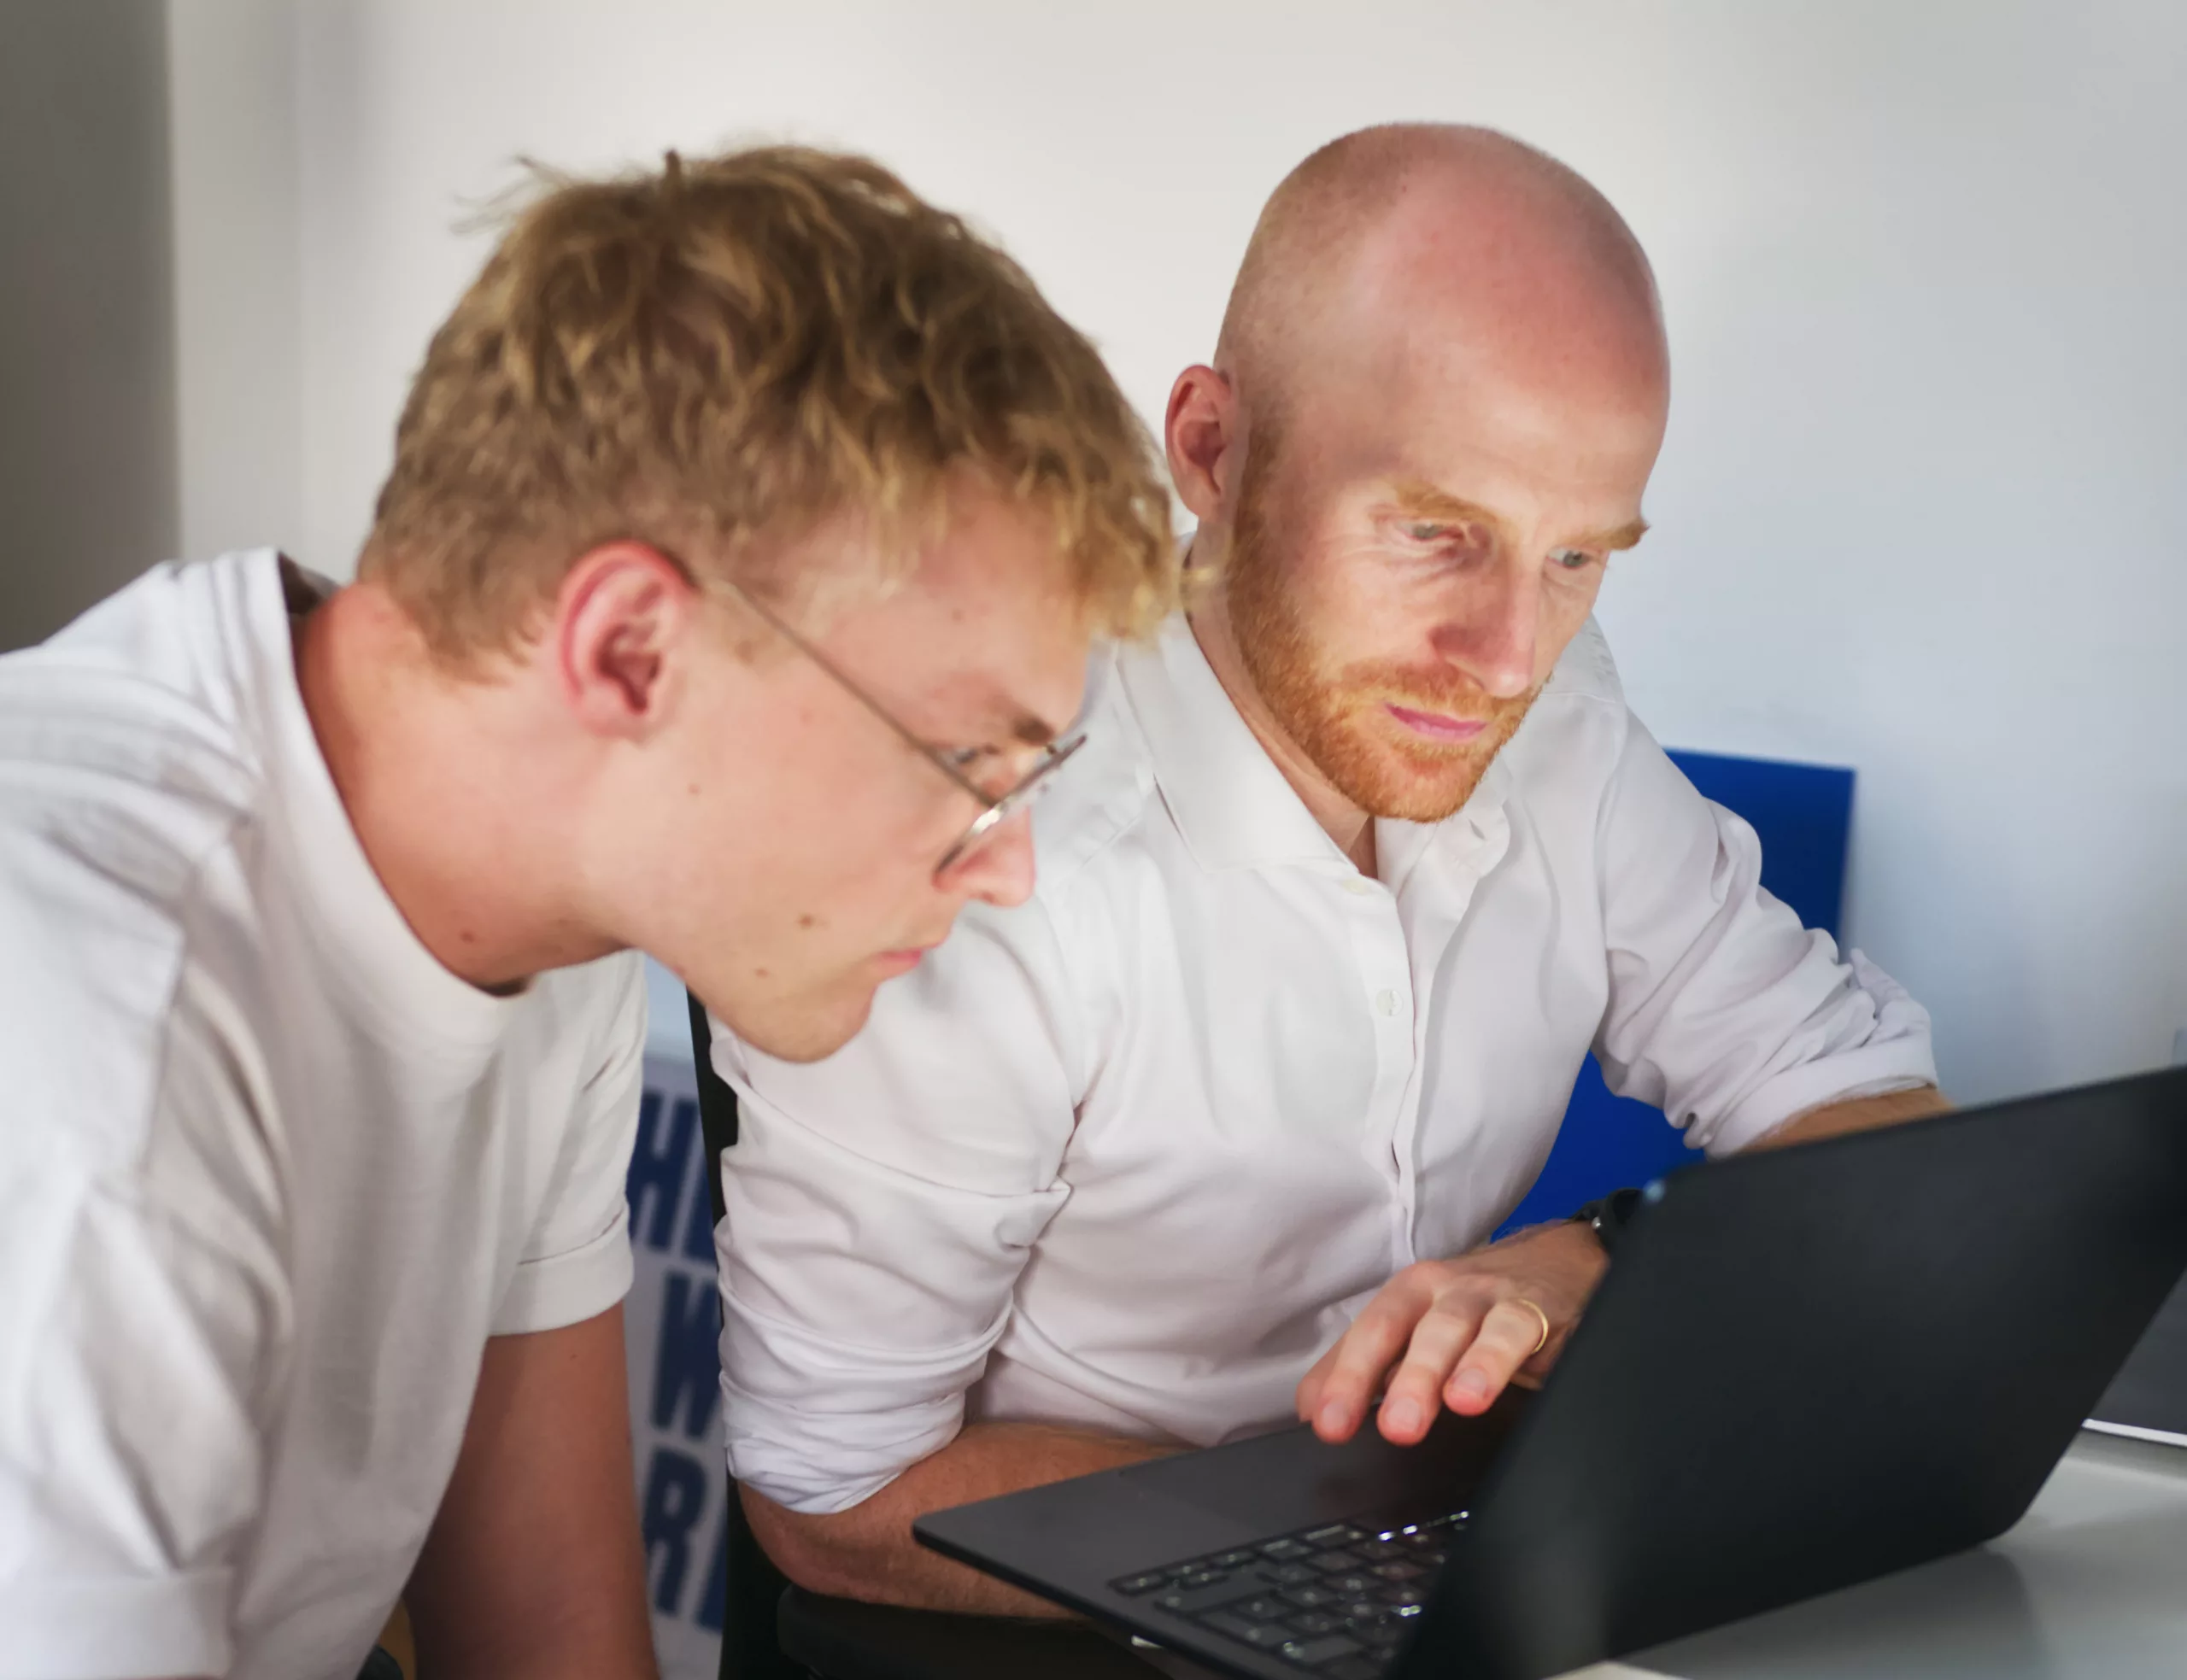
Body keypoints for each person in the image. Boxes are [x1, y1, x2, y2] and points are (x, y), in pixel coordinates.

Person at [703, 125, 1945, 1617]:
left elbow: (1878, 1122)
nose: (1507, 660)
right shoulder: (990, 842)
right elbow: (833, 1497)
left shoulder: (1561, 717)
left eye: (1577, 559)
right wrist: (1348, 1555)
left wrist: (1592, 1265)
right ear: (1215, 452)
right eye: (1437, 533)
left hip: (1421, 1568)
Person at [0, 147, 1175, 1678]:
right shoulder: (95, 1078)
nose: (1008, 862)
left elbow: (546, 1636)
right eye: (969, 762)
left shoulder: (534, 900)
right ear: (627, 651)